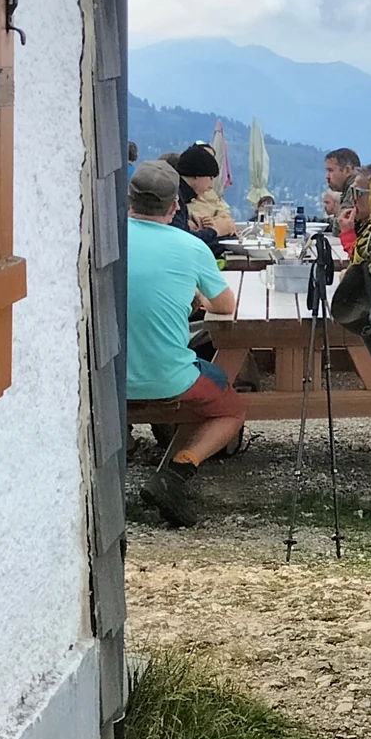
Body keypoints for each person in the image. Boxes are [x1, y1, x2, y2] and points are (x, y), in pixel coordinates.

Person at [126, 160, 244, 528]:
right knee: (233, 410)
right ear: (176, 206)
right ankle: (176, 473)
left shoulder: (104, 238)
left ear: (128, 199)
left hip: (104, 377)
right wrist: (196, 298)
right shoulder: (190, 247)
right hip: (168, 378)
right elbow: (225, 306)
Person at [175, 143, 238, 241]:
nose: (211, 185)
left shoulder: (182, 196)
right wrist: (216, 230)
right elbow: (186, 242)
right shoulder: (175, 198)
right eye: (210, 178)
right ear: (197, 175)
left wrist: (230, 240)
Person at [323, 147, 362, 219]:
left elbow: (341, 223)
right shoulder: (348, 189)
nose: (327, 176)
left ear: (347, 170)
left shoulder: (354, 188)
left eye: (331, 170)